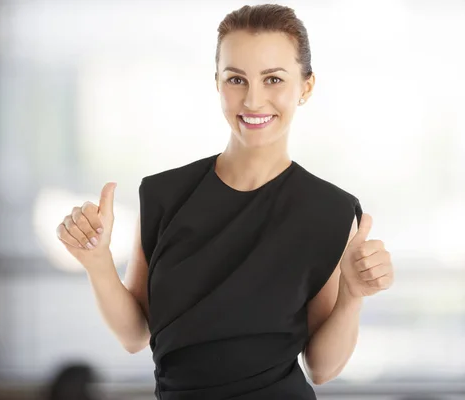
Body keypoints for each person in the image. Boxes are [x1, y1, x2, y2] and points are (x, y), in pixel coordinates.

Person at [56, 4, 394, 399]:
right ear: (217, 83)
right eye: (236, 79)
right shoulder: (164, 194)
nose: (253, 100)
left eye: (273, 79)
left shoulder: (329, 212)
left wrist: (351, 298)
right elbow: (135, 335)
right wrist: (97, 265)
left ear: (305, 87)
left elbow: (321, 368)